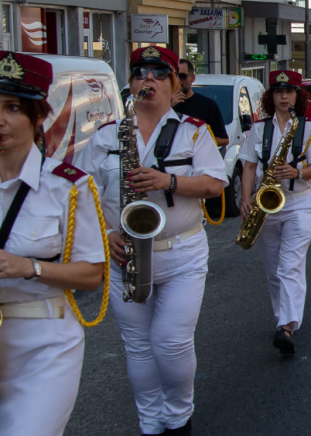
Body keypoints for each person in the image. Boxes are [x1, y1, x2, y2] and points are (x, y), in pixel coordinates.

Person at [78, 46, 227, 435]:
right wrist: (104, 235)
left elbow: (214, 185)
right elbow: (81, 196)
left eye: (160, 73)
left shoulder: (194, 131)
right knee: (138, 346)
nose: (149, 80)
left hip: (181, 253)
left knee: (170, 341)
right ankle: (150, 423)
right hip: (124, 255)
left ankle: (178, 418)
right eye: (140, 73)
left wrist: (169, 181)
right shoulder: (106, 136)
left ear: (174, 84)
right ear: (130, 84)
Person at [0, 51, 108, 436]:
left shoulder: (68, 185)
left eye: (12, 108)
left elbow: (92, 274)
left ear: (38, 116)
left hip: (45, 345)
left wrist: (28, 267)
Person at [238, 70, 311, 355]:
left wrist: (296, 171)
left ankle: (287, 326)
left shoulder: (310, 128)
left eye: (289, 92)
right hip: (266, 204)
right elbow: (249, 166)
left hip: (299, 202)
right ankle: (283, 318)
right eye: (279, 92)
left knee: (290, 265)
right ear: (271, 96)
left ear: (297, 97)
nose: (284, 97)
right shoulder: (259, 129)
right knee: (273, 270)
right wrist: (245, 199)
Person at [172, 59, 228, 147]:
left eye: (182, 76)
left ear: (192, 78)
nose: (178, 80)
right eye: (174, 76)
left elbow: (223, 139)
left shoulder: (207, 105)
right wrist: (170, 106)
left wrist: (195, 143)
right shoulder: (164, 105)